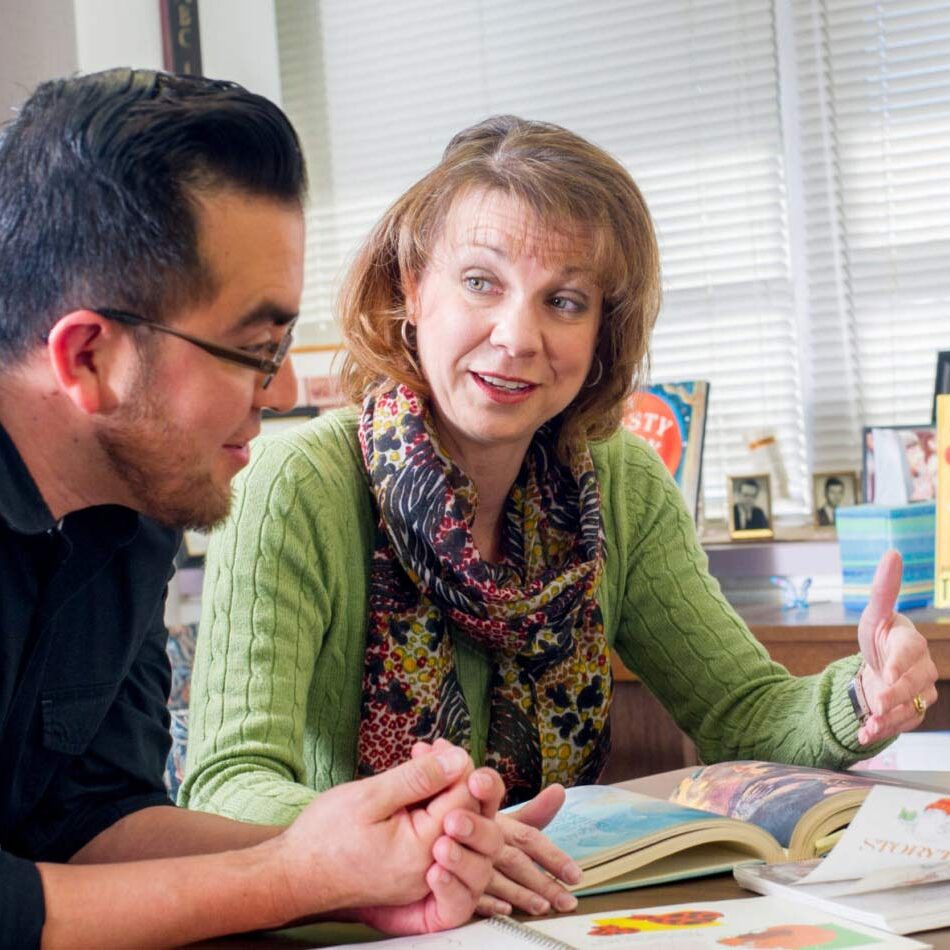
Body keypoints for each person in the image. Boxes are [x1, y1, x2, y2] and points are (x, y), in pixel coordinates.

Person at [182, 115, 939, 918]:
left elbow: (742, 714)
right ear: (411, 286)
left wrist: (864, 696)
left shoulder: (618, 483)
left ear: (602, 331)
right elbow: (227, 788)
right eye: (481, 282)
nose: (517, 337)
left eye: (565, 301)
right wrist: (428, 843)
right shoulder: (298, 482)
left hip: (551, 916)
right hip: (350, 929)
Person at [0, 69, 506, 948]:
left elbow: (89, 825)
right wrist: (288, 876)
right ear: (87, 358)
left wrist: (375, 862)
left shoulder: (133, 495)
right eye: (255, 349)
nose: (284, 389)